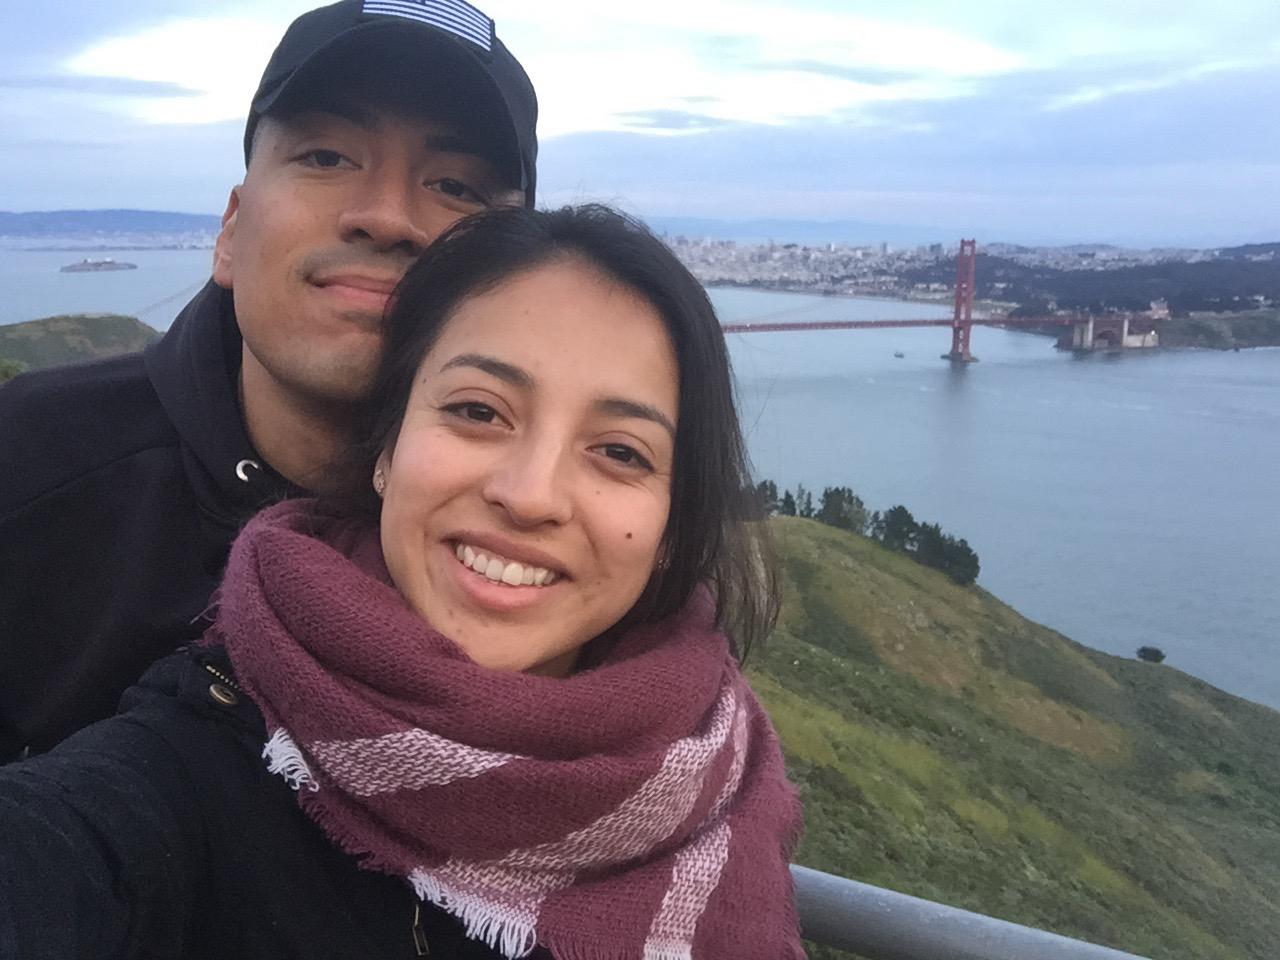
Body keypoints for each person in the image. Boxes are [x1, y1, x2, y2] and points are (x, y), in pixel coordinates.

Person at [0, 204, 804, 960]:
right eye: (479, 411)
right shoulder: (207, 749)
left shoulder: (719, 776)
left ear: (671, 529)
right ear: (386, 449)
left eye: (621, 452)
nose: (528, 495)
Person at [0, 0, 538, 761]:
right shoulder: (31, 465)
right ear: (230, 230)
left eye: (456, 186)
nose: (387, 217)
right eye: (326, 157)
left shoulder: (557, 546)